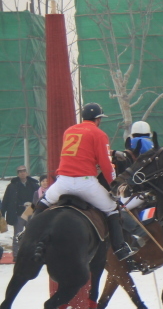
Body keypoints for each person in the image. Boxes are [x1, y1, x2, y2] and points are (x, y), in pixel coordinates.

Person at [37, 103, 135, 262]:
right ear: (98, 119)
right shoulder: (99, 134)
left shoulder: (69, 131)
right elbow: (105, 163)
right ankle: (120, 248)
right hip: (85, 184)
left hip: (63, 182)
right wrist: (114, 185)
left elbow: (82, 149)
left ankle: (27, 235)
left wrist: (112, 151)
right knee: (112, 209)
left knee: (44, 201)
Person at [1, 164, 39, 259]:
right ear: (17, 174)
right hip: (17, 211)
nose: (22, 173)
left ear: (27, 173)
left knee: (32, 233)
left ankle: (31, 253)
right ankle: (16, 254)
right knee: (17, 234)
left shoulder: (34, 185)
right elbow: (6, 200)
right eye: (20, 172)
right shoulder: (12, 186)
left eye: (24, 171)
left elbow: (39, 199)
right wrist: (2, 213)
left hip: (31, 210)